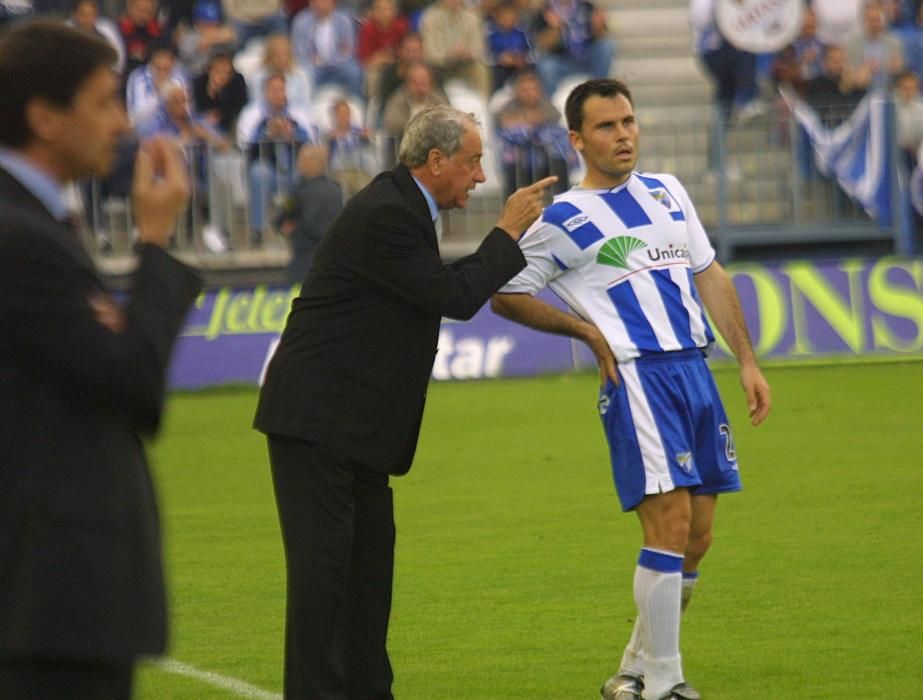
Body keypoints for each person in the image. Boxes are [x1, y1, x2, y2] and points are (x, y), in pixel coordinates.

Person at [252, 104, 558, 700]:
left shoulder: (402, 207)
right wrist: (507, 232)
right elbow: (455, 294)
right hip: (318, 422)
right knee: (324, 580)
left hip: (356, 429)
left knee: (367, 575)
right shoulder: (389, 213)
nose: (479, 176)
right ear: (436, 160)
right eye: (472, 163)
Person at [490, 79, 771, 700]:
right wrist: (586, 332)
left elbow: (710, 275)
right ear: (577, 140)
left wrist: (746, 361)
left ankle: (634, 671)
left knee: (698, 534)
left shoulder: (668, 191)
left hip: (696, 371)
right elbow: (503, 292)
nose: (623, 135)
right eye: (607, 127)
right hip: (638, 376)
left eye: (629, 122)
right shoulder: (563, 219)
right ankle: (668, 682)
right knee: (668, 525)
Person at [0, 20, 200, 699]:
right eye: (104, 101)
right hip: (48, 602)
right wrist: (155, 243)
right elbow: (131, 381)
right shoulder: (19, 237)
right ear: (45, 116)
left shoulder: (34, 222)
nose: (121, 123)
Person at [237, 71, 317, 243]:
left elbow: (310, 143)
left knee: (302, 176)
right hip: (270, 170)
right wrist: (268, 135)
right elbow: (246, 145)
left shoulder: (298, 114)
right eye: (273, 90)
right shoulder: (253, 114)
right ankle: (257, 230)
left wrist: (291, 136)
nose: (278, 94)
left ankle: (300, 228)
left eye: (281, 89)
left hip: (293, 169)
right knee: (259, 173)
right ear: (265, 93)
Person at [495, 68, 573, 198]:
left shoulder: (547, 105)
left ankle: (562, 202)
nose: (529, 93)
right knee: (513, 169)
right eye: (524, 89)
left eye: (533, 89)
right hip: (520, 161)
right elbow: (504, 124)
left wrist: (523, 120)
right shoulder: (507, 106)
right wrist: (531, 120)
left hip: (545, 158)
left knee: (560, 163)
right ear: (516, 90)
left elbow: (554, 120)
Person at [275, 143, 342, 285]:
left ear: (311, 163)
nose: (298, 164)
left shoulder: (299, 193)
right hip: (334, 261)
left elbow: (281, 219)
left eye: (301, 160)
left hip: (304, 261)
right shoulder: (337, 191)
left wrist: (290, 227)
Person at [532, 0, 615, 98]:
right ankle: (550, 102)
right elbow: (542, 46)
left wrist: (598, 25)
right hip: (561, 63)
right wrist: (556, 27)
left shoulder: (586, 6)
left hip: (587, 57)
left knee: (607, 45)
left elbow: (603, 34)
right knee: (546, 65)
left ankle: (598, 90)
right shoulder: (546, 10)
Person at [290, 0, 363, 98]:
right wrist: (314, 62)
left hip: (339, 64)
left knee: (354, 71)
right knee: (306, 74)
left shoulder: (344, 20)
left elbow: (348, 50)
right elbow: (300, 52)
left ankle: (355, 104)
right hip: (313, 67)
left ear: (333, 4)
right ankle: (309, 107)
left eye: (325, 2)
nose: (321, 5)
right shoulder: (301, 21)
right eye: (318, 2)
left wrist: (328, 61)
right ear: (311, 3)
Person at [419, 0, 491, 96]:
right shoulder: (429, 19)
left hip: (464, 64)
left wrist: (469, 53)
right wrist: (449, 55)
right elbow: (429, 53)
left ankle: (483, 103)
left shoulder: (472, 18)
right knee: (425, 69)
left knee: (480, 67)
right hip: (439, 66)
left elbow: (479, 49)